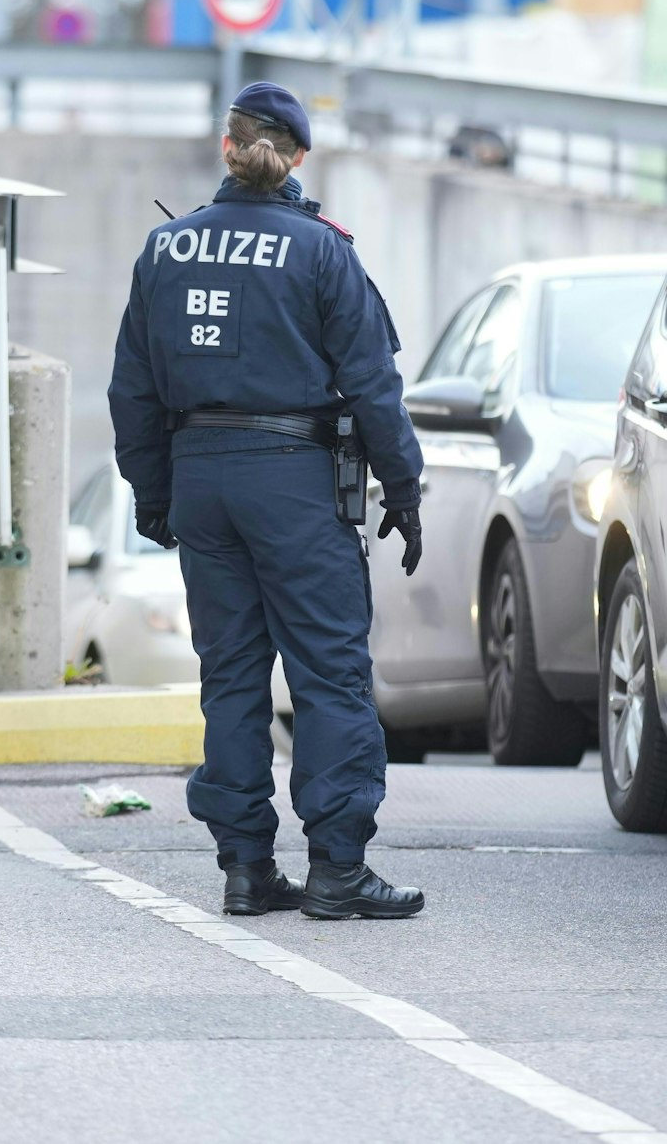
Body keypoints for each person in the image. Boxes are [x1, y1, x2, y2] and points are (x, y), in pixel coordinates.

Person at [108, 82, 426, 920]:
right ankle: (338, 869)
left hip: (202, 479)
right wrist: (405, 487)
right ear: (295, 158)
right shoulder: (323, 252)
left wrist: (153, 492)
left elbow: (132, 391)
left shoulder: (163, 250)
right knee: (329, 671)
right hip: (292, 478)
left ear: (227, 147)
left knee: (233, 677)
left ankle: (246, 868)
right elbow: (373, 386)